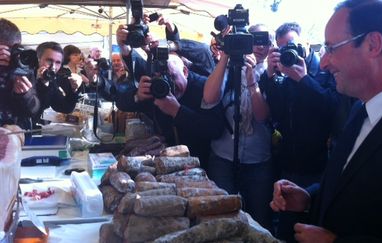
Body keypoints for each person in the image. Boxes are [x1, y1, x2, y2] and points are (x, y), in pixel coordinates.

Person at [271, 1, 382, 242]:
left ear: (373, 44)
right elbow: (349, 183)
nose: (324, 62)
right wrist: (308, 199)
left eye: (332, 48)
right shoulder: (361, 106)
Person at [260, 22, 338, 241]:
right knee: (286, 229)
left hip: (317, 165)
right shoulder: (282, 71)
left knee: (313, 227)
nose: (289, 52)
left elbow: (331, 109)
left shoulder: (324, 69)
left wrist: (303, 79)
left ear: (304, 43)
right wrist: (270, 75)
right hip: (288, 164)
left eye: (292, 45)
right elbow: (275, 112)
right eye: (283, 48)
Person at [202, 23, 274, 232]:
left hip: (258, 160)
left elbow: (262, 117)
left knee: (259, 221)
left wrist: (252, 82)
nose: (260, 46)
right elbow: (209, 98)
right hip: (223, 157)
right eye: (255, 40)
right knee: (222, 219)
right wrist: (227, 54)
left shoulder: (272, 73)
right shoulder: (229, 69)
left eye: (265, 41)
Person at [116, 53, 224, 166]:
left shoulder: (205, 87)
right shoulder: (157, 88)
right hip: (163, 160)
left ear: (185, 72)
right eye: (162, 78)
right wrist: (137, 95)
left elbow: (215, 129)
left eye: (172, 77)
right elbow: (121, 103)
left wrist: (177, 111)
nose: (169, 84)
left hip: (200, 161)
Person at [0, 18, 41, 130]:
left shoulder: (22, 66)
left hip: (12, 134)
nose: (5, 54)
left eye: (10, 50)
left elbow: (33, 110)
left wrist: (25, 96)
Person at [35, 42, 81, 118]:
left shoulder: (51, 81)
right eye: (49, 60)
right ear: (38, 59)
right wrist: (42, 84)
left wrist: (73, 90)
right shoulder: (25, 77)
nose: (53, 66)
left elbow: (65, 108)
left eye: (58, 62)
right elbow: (32, 110)